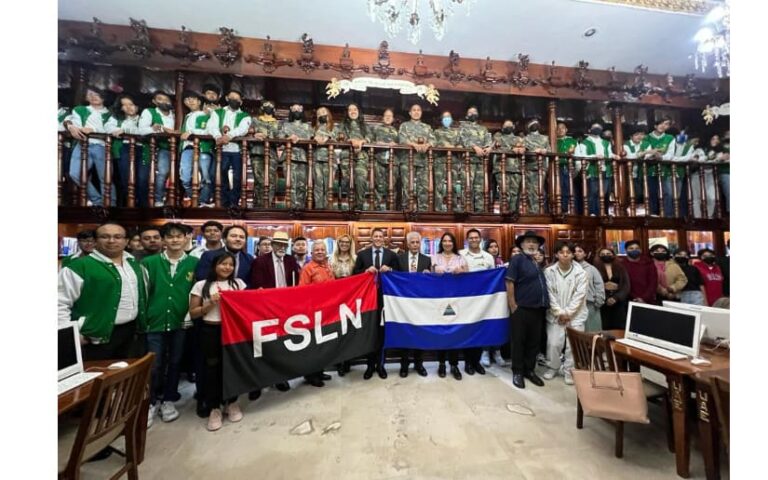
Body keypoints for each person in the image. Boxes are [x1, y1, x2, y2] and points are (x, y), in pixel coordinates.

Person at [58, 222, 146, 360]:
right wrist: (69, 336)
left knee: (124, 375)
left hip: (130, 332)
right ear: (96, 241)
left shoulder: (134, 264)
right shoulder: (79, 267)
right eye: (105, 236)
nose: (111, 241)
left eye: (117, 237)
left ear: (126, 241)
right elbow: (60, 303)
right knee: (97, 376)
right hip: (93, 334)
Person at [142, 222, 199, 427]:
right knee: (154, 365)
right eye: (170, 236)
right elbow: (144, 293)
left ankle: (168, 400)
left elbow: (195, 292)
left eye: (179, 236)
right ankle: (150, 403)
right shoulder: (149, 262)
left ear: (186, 238)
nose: (175, 240)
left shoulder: (194, 262)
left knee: (175, 362)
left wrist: (188, 316)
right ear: (163, 240)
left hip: (180, 322)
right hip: (154, 322)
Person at [189, 252, 246, 431]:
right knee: (212, 368)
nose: (227, 267)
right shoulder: (201, 285)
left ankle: (232, 402)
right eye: (223, 264)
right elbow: (194, 313)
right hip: (210, 330)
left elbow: (248, 305)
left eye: (230, 264)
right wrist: (210, 304)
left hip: (233, 331)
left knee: (233, 367)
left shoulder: (238, 284)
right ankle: (214, 407)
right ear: (215, 265)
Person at [249, 231, 300, 392]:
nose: (281, 247)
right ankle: (258, 383)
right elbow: (257, 285)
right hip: (266, 308)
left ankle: (280, 378)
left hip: (286, 308)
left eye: (284, 244)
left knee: (281, 344)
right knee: (262, 345)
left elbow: (296, 282)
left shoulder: (291, 260)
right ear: (272, 245)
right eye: (278, 243)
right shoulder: (260, 261)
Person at [352, 228, 400, 379]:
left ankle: (381, 365)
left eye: (381, 236)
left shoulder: (391, 255)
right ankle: (369, 365)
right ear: (371, 238)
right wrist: (365, 271)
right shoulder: (362, 254)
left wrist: (391, 269)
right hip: (367, 301)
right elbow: (354, 274)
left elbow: (400, 273)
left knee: (381, 333)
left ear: (384, 239)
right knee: (369, 333)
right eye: (376, 236)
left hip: (385, 300)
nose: (378, 238)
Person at [505, 230, 549, 389]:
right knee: (518, 341)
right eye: (528, 241)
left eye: (534, 242)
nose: (531, 244)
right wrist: (513, 305)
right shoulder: (517, 259)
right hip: (521, 308)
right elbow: (509, 282)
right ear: (522, 244)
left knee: (534, 342)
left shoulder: (536, 261)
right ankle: (517, 371)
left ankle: (529, 370)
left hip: (538, 309)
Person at [542, 242, 587, 385]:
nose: (565, 255)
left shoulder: (581, 273)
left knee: (572, 346)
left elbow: (580, 295)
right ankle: (553, 367)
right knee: (553, 343)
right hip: (555, 315)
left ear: (573, 254)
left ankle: (569, 371)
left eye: (568, 252)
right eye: (561, 252)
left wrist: (568, 313)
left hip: (576, 316)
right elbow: (549, 294)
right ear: (556, 254)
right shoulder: (549, 272)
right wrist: (559, 313)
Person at [65, 86, 114, 206]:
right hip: (83, 144)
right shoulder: (80, 109)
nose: (93, 97)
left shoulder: (110, 113)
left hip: (102, 146)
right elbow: (73, 122)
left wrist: (93, 129)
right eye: (90, 94)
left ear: (103, 96)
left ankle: (110, 205)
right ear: (86, 98)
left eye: (96, 94)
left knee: (105, 178)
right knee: (75, 174)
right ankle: (97, 201)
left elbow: (111, 128)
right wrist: (70, 126)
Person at [297, 240, 336, 386]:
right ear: (311, 253)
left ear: (326, 252)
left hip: (327, 311)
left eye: (322, 249)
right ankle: (311, 375)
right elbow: (302, 291)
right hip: (313, 312)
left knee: (322, 343)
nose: (320, 252)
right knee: (313, 345)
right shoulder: (308, 269)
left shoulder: (328, 267)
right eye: (317, 250)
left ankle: (320, 371)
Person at [431, 232, 468, 380]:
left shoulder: (460, 258)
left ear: (453, 243)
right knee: (441, 331)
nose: (447, 243)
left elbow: (469, 274)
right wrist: (435, 270)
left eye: (450, 241)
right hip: (439, 300)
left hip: (456, 300)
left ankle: (454, 365)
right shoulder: (435, 257)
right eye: (444, 241)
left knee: (454, 332)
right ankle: (441, 364)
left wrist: (462, 270)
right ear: (441, 243)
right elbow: (430, 273)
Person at [459, 229, 495, 375]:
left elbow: (493, 277)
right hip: (466, 299)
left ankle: (477, 362)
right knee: (468, 331)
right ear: (467, 240)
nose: (474, 240)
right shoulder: (460, 255)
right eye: (471, 238)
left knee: (481, 331)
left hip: (483, 301)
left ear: (480, 239)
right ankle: (468, 363)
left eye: (476, 237)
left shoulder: (488, 257)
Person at [396, 232, 432, 378]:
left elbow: (431, 282)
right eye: (412, 242)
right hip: (403, 303)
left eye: (418, 242)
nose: (415, 245)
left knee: (419, 333)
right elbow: (395, 279)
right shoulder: (399, 259)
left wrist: (429, 274)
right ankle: (404, 365)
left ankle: (419, 364)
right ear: (408, 243)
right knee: (405, 333)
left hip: (420, 303)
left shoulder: (427, 259)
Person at [209, 89, 252, 208]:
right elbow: (211, 126)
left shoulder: (245, 116)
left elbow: (243, 129)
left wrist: (229, 136)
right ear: (227, 98)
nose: (235, 101)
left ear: (241, 102)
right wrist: (218, 137)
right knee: (216, 174)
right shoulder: (217, 112)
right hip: (221, 149)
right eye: (232, 98)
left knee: (238, 177)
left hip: (237, 151)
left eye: (238, 99)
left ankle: (234, 202)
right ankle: (224, 201)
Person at [107, 93, 147, 207]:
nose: (129, 107)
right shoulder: (117, 118)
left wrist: (123, 130)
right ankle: (128, 206)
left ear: (137, 105)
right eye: (124, 105)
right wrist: (116, 129)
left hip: (143, 150)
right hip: (124, 149)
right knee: (126, 179)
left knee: (142, 180)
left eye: (131, 104)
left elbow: (143, 131)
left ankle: (142, 207)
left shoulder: (145, 117)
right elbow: (108, 128)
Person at [137, 91, 176, 207]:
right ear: (154, 101)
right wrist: (158, 129)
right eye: (160, 99)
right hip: (152, 148)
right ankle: (156, 200)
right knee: (150, 175)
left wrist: (163, 129)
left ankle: (161, 198)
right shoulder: (149, 112)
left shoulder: (175, 114)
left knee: (167, 174)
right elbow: (142, 130)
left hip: (172, 148)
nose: (164, 101)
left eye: (166, 99)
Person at [178, 91, 214, 206]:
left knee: (206, 177)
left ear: (199, 102)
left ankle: (203, 201)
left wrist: (191, 132)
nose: (190, 101)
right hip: (187, 148)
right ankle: (195, 199)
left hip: (203, 148)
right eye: (187, 100)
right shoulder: (187, 116)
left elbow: (209, 131)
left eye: (193, 99)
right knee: (185, 177)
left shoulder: (207, 115)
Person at [575, 122, 619, 216]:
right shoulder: (584, 143)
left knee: (605, 193)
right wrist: (594, 156)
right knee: (592, 192)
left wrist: (614, 156)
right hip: (592, 170)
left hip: (605, 170)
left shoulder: (606, 143)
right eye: (595, 127)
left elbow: (609, 154)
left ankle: (603, 212)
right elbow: (580, 156)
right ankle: (592, 213)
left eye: (599, 127)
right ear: (589, 130)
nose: (597, 128)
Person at [398, 104, 435, 211]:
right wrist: (413, 144)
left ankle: (423, 210)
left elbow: (433, 140)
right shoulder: (404, 125)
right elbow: (401, 139)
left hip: (423, 160)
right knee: (407, 186)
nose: (416, 112)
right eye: (413, 110)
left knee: (423, 186)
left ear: (421, 112)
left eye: (418, 110)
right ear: (410, 113)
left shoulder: (427, 127)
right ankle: (406, 209)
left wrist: (428, 145)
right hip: (407, 160)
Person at [329, 233, 357, 376]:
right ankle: (338, 361)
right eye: (342, 242)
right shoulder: (331, 259)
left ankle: (347, 360)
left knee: (349, 329)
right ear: (338, 243)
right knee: (338, 330)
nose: (344, 244)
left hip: (351, 298)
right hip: (336, 298)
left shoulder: (355, 259)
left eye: (347, 242)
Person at [458, 106, 492, 212]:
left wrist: (488, 147)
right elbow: (462, 139)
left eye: (474, 112)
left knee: (480, 188)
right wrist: (474, 146)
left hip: (481, 161)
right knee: (467, 186)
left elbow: (488, 140)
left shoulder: (483, 129)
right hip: (468, 161)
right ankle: (466, 210)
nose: (473, 113)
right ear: (467, 115)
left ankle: (480, 211)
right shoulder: (463, 127)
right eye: (470, 112)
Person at [280, 104, 314, 209]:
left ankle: (301, 209)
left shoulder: (308, 126)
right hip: (289, 157)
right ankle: (290, 209)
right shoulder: (285, 125)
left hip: (303, 157)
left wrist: (299, 138)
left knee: (302, 186)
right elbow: (279, 137)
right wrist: (288, 137)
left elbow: (311, 138)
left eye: (299, 109)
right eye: (294, 109)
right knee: (290, 185)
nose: (296, 111)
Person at [640, 117, 675, 216]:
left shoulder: (670, 138)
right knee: (652, 193)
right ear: (655, 126)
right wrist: (653, 154)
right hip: (650, 169)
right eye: (661, 123)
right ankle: (653, 215)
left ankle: (668, 216)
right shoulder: (646, 138)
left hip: (665, 169)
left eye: (666, 124)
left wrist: (661, 157)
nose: (663, 126)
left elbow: (670, 155)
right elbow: (644, 153)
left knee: (668, 193)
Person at [339, 103, 370, 209]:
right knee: (348, 180)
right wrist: (350, 140)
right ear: (347, 113)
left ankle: (359, 205)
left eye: (355, 109)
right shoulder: (342, 125)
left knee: (360, 178)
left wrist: (362, 141)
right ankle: (350, 205)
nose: (353, 111)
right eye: (350, 110)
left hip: (361, 155)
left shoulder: (364, 126)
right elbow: (339, 136)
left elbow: (370, 137)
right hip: (346, 156)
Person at [250, 100, 280, 208]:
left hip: (271, 154)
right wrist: (254, 135)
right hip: (257, 152)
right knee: (259, 180)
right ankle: (258, 204)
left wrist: (269, 136)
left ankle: (267, 204)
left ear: (274, 109)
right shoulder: (255, 120)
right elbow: (248, 132)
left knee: (270, 180)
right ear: (262, 107)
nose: (268, 107)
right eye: (266, 105)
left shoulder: (278, 123)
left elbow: (280, 139)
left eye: (271, 105)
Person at [593, 247, 631, 330]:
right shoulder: (595, 269)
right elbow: (593, 286)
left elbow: (626, 285)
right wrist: (606, 297)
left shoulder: (620, 267)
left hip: (618, 302)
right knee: (605, 327)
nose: (606, 255)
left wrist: (616, 298)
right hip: (603, 302)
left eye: (608, 254)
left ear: (613, 255)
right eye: (603, 254)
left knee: (620, 327)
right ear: (599, 256)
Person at [492, 120, 526, 213]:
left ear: (513, 127)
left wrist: (523, 149)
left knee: (515, 193)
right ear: (502, 128)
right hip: (501, 168)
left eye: (510, 125)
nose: (508, 127)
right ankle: (504, 213)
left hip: (516, 169)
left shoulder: (519, 139)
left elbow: (525, 148)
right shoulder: (498, 138)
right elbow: (495, 148)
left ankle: (513, 213)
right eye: (506, 125)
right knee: (504, 192)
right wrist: (512, 149)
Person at [370, 108, 399, 210]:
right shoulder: (376, 129)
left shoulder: (396, 131)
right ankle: (376, 208)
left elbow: (401, 144)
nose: (387, 117)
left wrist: (395, 145)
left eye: (390, 116)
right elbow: (371, 141)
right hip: (379, 159)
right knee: (378, 185)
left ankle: (390, 208)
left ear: (393, 119)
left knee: (392, 186)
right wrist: (382, 144)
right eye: (386, 115)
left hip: (393, 161)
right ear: (383, 118)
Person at [433, 110, 461, 212]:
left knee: (453, 186)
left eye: (448, 117)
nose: (447, 119)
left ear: (452, 119)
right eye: (444, 117)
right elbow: (433, 144)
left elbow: (460, 145)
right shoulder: (436, 132)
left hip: (453, 162)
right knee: (438, 186)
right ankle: (437, 209)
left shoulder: (456, 133)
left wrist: (455, 147)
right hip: (439, 161)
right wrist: (444, 145)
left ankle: (453, 208)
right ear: (441, 120)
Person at [573, 244, 605, 332]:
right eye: (575, 251)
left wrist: (598, 302)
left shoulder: (591, 269)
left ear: (585, 254)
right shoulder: (569, 268)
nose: (577, 253)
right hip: (573, 306)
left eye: (580, 251)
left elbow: (599, 286)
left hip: (590, 305)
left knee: (591, 332)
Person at [522, 119, 551, 214]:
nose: (535, 125)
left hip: (542, 167)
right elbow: (524, 152)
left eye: (536, 123)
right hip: (530, 167)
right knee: (530, 191)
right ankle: (532, 212)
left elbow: (549, 151)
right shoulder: (525, 139)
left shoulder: (545, 138)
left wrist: (545, 151)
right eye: (532, 124)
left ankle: (540, 212)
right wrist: (535, 151)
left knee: (540, 190)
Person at [312, 106, 338, 209]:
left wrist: (328, 137)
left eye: (323, 112)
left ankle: (328, 210)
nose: (321, 114)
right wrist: (314, 138)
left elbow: (338, 138)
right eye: (319, 113)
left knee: (329, 186)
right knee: (318, 186)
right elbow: (309, 136)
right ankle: (319, 210)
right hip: (317, 158)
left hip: (330, 159)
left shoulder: (334, 128)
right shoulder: (313, 128)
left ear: (328, 115)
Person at [555, 122, 581, 214]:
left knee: (571, 190)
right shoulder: (553, 141)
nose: (560, 130)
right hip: (558, 168)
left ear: (566, 130)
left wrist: (576, 170)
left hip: (570, 168)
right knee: (560, 190)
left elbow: (578, 156)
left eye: (562, 128)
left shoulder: (573, 141)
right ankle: (562, 211)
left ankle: (573, 211)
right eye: (558, 128)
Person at [622, 240, 658, 304]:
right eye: (631, 248)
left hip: (647, 299)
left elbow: (653, 282)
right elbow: (623, 283)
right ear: (626, 250)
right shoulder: (621, 265)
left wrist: (644, 298)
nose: (634, 250)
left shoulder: (648, 263)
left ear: (640, 250)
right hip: (628, 299)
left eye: (637, 248)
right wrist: (635, 298)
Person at [623, 127, 648, 209]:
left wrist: (645, 154)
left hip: (641, 173)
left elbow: (649, 156)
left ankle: (638, 211)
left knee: (641, 194)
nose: (639, 137)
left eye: (641, 134)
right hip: (628, 174)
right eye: (636, 135)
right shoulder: (626, 145)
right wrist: (641, 154)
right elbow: (629, 157)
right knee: (632, 193)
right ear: (631, 136)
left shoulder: (646, 144)